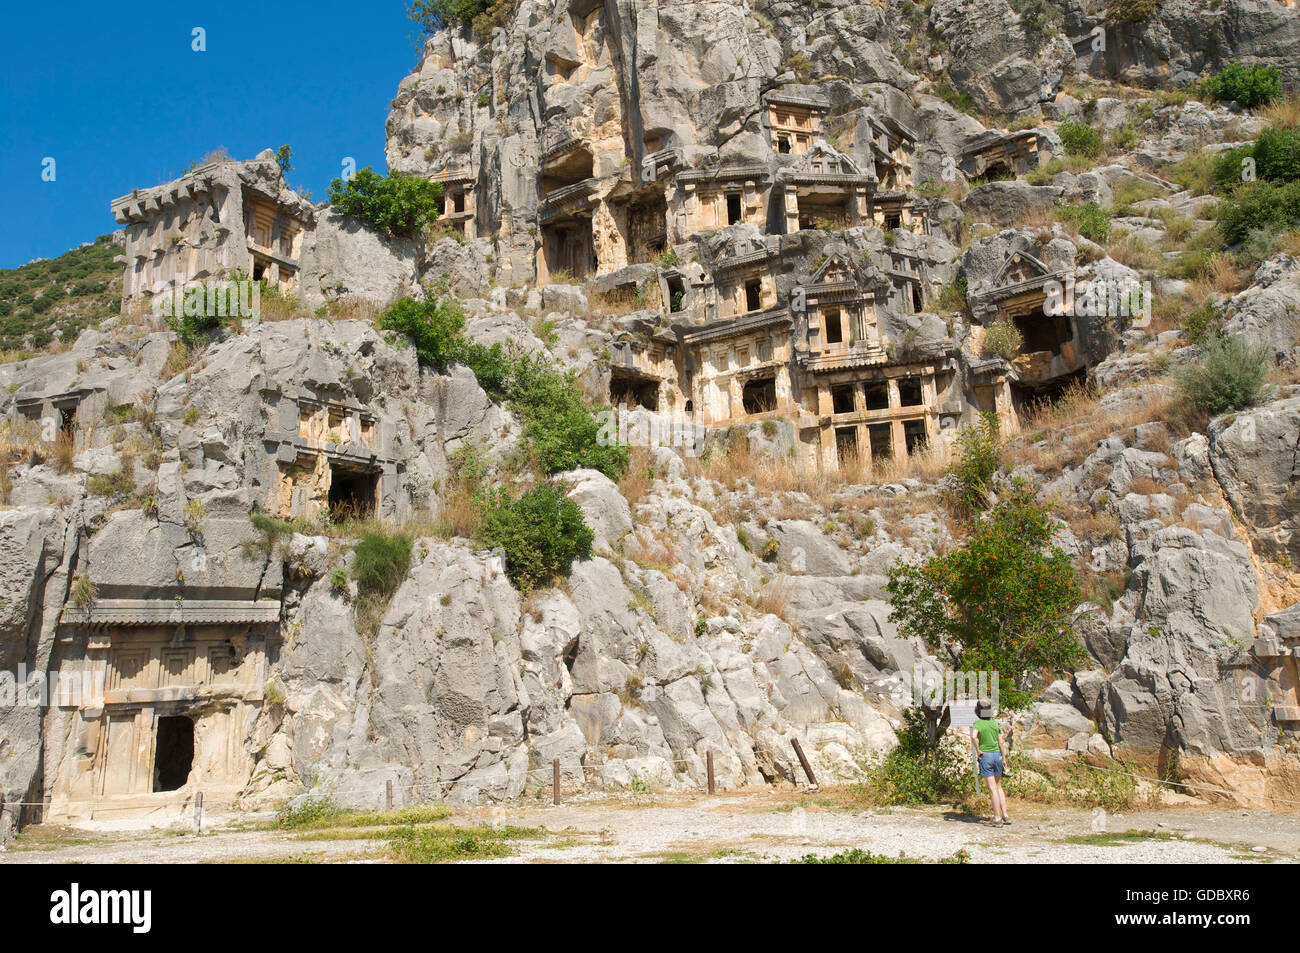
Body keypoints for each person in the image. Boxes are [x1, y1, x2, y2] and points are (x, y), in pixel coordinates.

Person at [971, 700, 1010, 826]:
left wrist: (978, 751)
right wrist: (1003, 758)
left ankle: (997, 818)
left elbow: (973, 736)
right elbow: (1000, 742)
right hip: (997, 756)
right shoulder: (994, 724)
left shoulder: (978, 723)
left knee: (992, 789)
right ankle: (1005, 815)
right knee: (999, 787)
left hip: (986, 756)